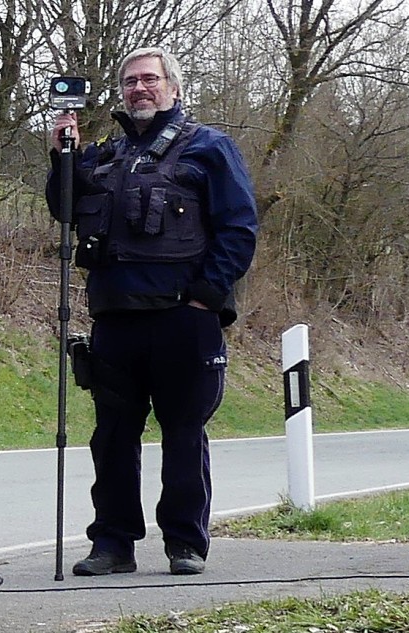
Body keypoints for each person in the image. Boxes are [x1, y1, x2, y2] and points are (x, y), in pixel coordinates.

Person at [46, 47, 258, 576]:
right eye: (129, 82)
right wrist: (62, 158)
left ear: (173, 88)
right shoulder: (103, 155)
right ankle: (112, 544)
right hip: (115, 318)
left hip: (183, 318)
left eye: (149, 80)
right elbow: (64, 209)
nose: (138, 89)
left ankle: (185, 543)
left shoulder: (210, 148)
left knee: (183, 433)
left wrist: (206, 295)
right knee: (112, 438)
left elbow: (239, 228)